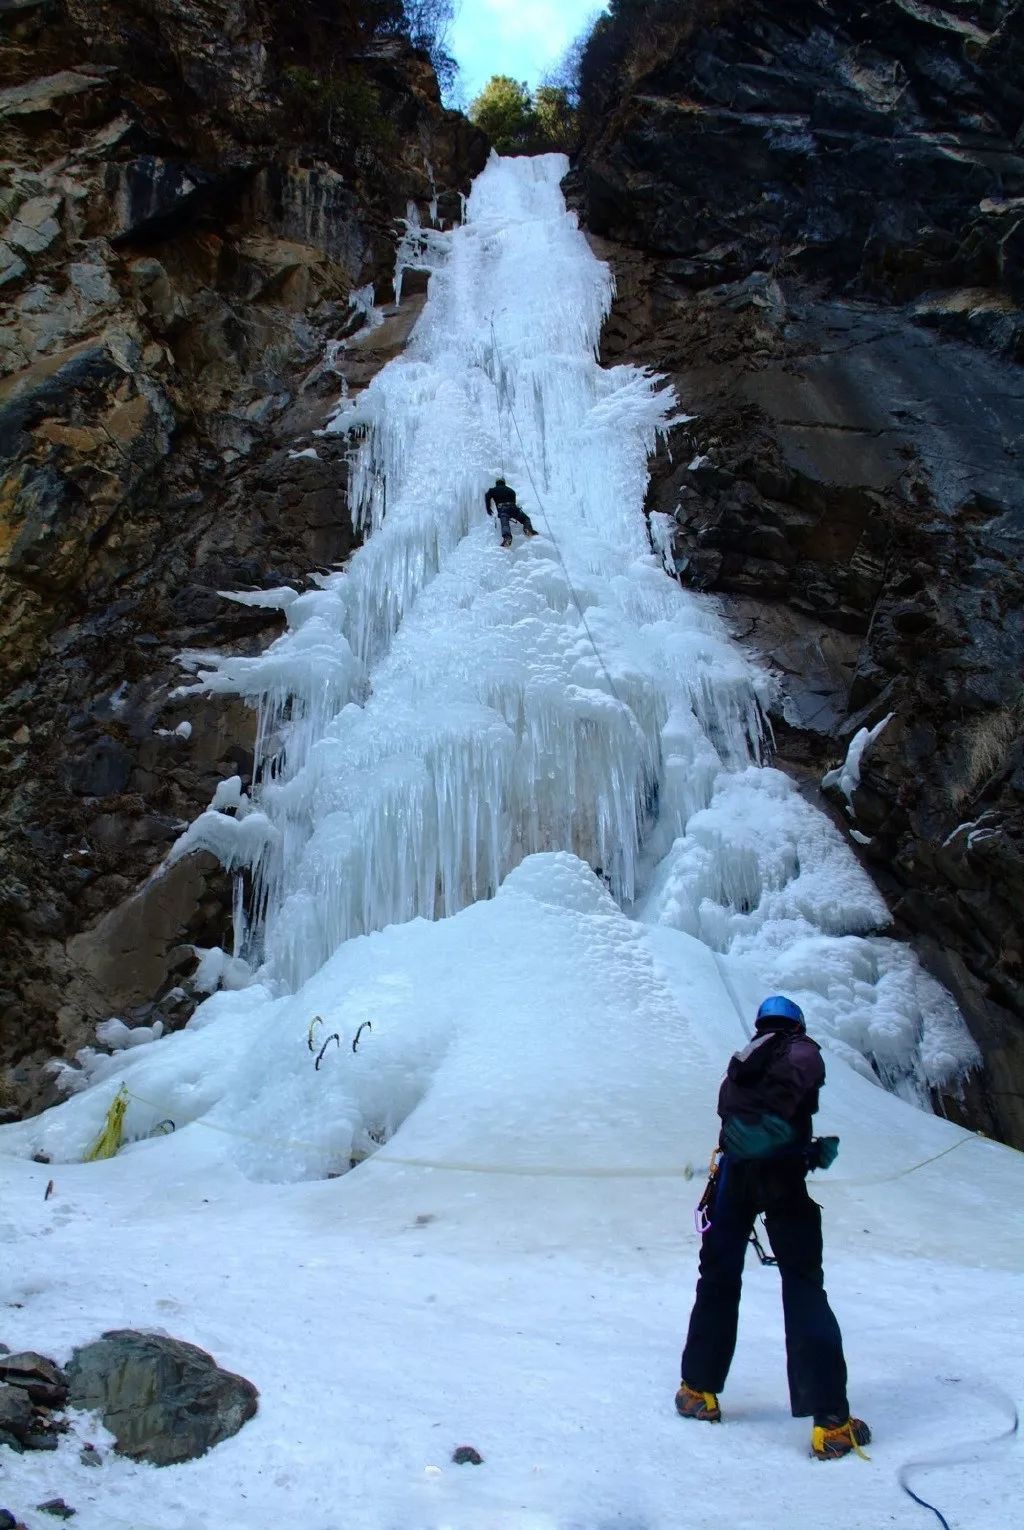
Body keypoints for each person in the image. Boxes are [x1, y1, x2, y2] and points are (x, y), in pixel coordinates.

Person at [676, 994, 871, 1461]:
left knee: (717, 1281)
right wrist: (809, 1152)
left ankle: (696, 1390)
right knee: (804, 1287)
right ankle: (831, 1424)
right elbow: (786, 1122)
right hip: (781, 1182)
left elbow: (740, 1124)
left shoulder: (744, 1060)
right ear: (796, 1024)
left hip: (733, 1180)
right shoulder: (802, 1052)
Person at [484, 476, 537, 547]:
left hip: (503, 509)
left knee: (505, 524)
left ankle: (507, 538)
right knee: (525, 519)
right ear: (504, 483)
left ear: (497, 483)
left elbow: (487, 496)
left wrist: (488, 509)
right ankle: (528, 529)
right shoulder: (511, 490)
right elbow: (514, 501)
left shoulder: (493, 490)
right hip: (513, 508)